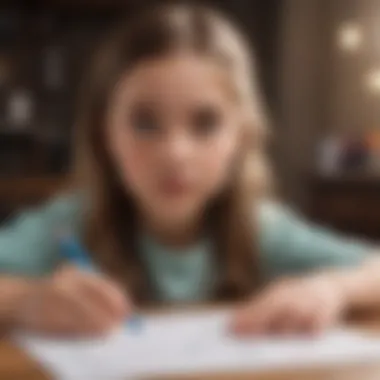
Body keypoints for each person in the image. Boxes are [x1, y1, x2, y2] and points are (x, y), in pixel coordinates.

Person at [0, 4, 378, 337]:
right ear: (105, 136)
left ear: (242, 137)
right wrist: (27, 301)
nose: (175, 153)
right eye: (145, 123)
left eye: (206, 123)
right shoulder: (67, 225)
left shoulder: (260, 230)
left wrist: (330, 289)